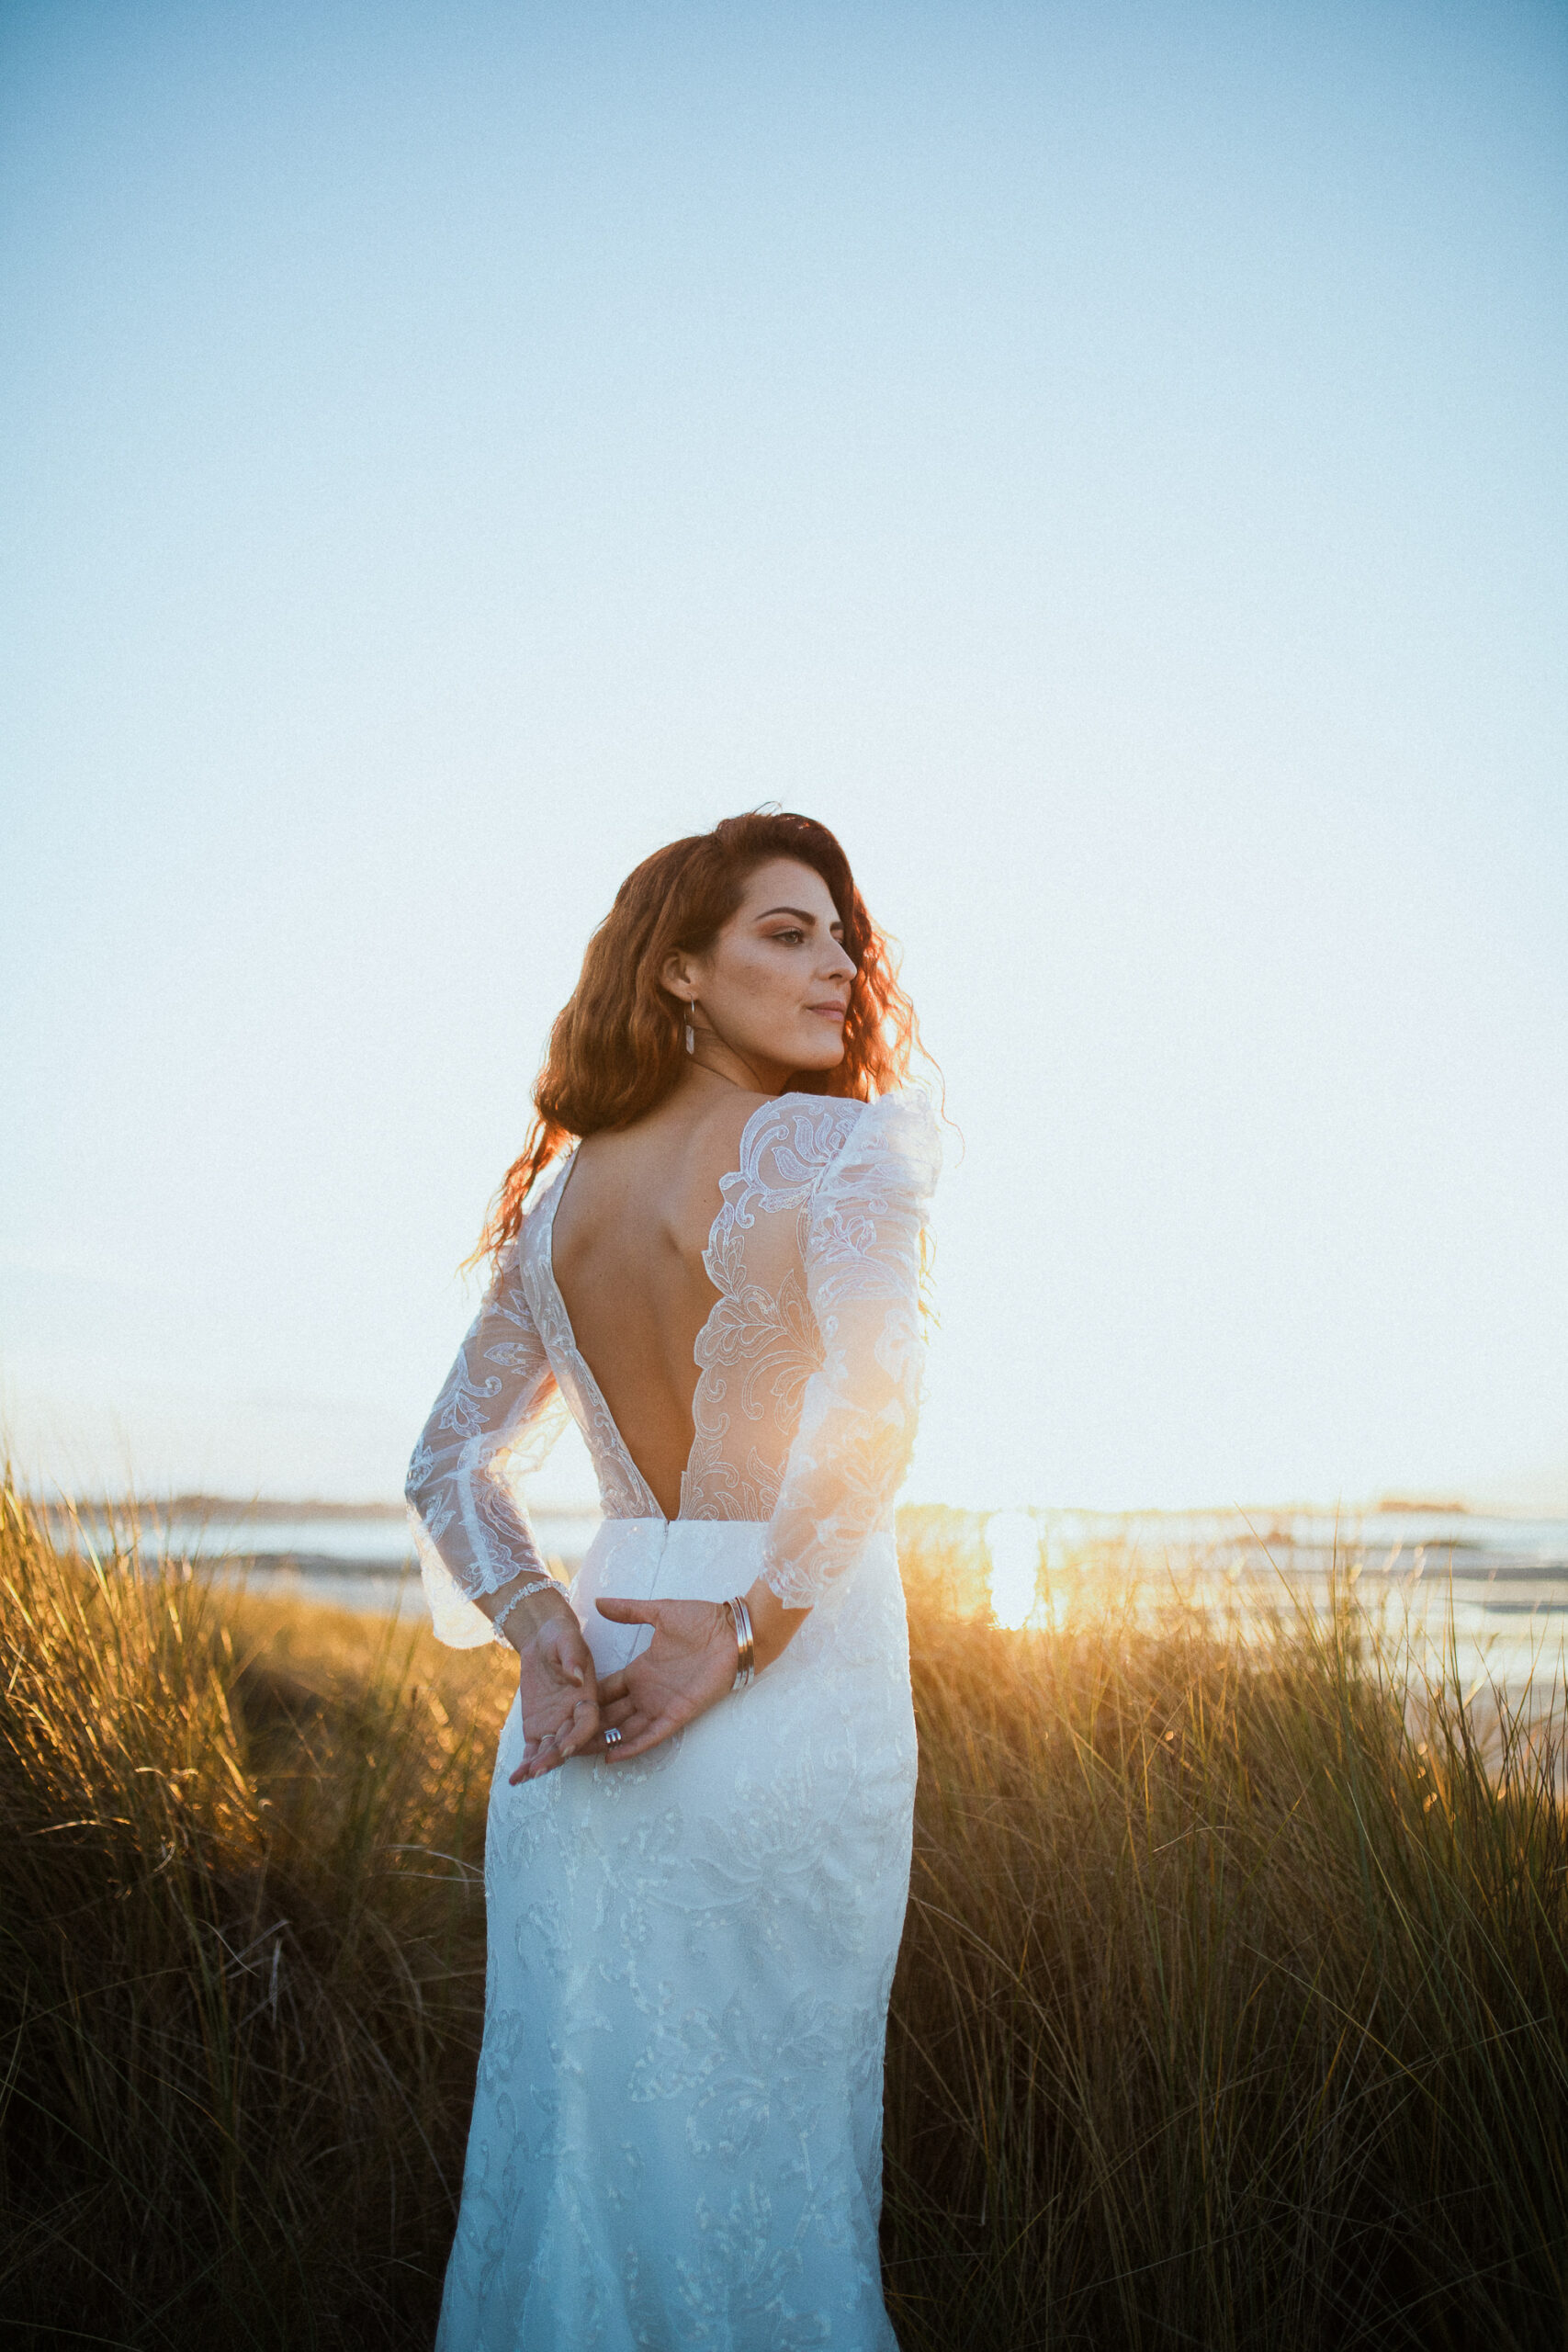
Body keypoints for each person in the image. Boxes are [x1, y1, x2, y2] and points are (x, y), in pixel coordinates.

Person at [406, 809, 941, 2350]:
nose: (837, 960)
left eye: (842, 932)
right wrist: (748, 1632)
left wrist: (544, 1649)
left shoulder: (558, 1208)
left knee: (585, 2159)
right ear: (684, 973)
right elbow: (879, 1414)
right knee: (773, 2168)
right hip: (776, 1687)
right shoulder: (845, 1147)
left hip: (578, 1724)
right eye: (788, 932)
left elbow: (450, 1464)